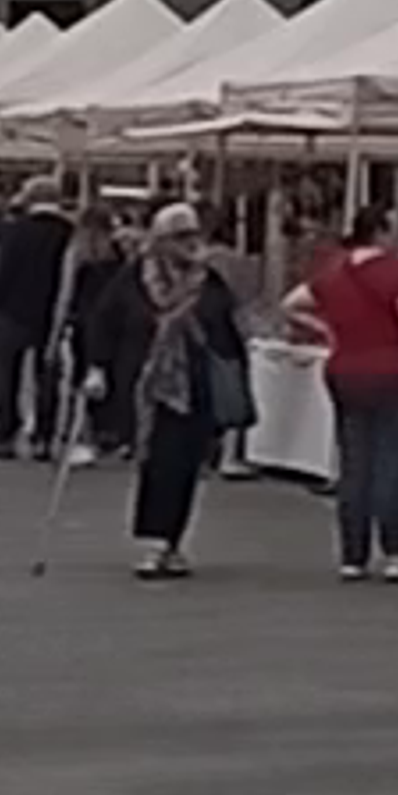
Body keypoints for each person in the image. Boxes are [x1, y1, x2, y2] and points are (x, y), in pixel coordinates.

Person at [289, 197, 398, 576]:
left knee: (354, 462)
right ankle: (396, 551)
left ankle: (353, 554)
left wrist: (329, 331)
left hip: (344, 368)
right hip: (392, 369)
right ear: (382, 230)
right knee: (393, 463)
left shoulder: (332, 273)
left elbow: (293, 304)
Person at [125, 217, 253, 575]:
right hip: (154, 385)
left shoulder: (208, 280)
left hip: (197, 385)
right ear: (162, 239)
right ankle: (154, 541)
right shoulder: (140, 277)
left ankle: (174, 540)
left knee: (186, 467)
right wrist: (98, 365)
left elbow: (226, 324)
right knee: (158, 463)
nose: (189, 244)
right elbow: (110, 318)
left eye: (192, 236)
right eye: (180, 237)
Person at [0, 176, 74, 457]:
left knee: (7, 374)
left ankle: (5, 435)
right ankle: (44, 437)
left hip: (14, 309)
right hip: (51, 310)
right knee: (47, 376)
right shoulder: (68, 231)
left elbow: (3, 270)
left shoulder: (15, 230)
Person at [62, 202, 149, 462]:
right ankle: (118, 433)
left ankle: (88, 436)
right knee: (119, 378)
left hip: (85, 321)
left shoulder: (79, 254)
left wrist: (60, 324)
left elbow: (67, 291)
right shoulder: (121, 251)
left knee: (85, 377)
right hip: (119, 322)